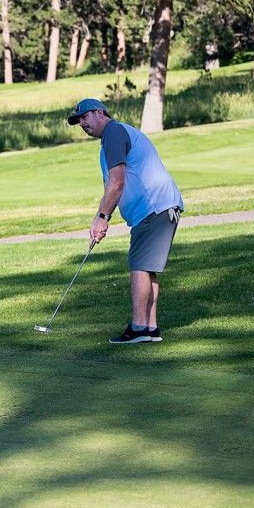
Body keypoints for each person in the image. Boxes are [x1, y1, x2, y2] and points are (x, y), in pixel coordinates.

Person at [66, 98, 184, 343]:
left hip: (154, 208)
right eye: (78, 121)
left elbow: (117, 182)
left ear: (100, 113)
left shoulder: (114, 132)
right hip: (157, 208)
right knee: (147, 268)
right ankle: (150, 328)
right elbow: (114, 183)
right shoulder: (112, 137)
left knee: (139, 267)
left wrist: (101, 218)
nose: (82, 124)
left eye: (85, 117)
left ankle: (139, 327)